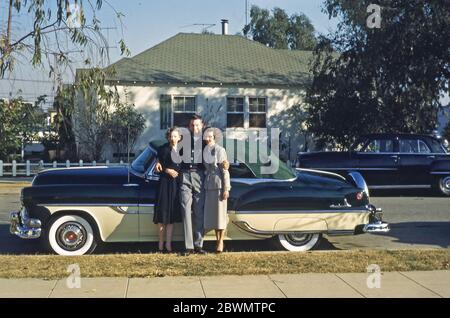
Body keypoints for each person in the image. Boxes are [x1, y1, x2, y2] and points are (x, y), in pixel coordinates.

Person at [153, 127, 182, 253]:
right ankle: (160, 244)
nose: (173, 139)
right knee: (162, 215)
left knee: (171, 216)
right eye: (171, 136)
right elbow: (158, 165)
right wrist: (166, 169)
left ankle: (168, 245)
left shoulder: (183, 151)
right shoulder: (163, 149)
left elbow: (185, 167)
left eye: (175, 136)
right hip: (164, 183)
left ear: (179, 137)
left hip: (176, 185)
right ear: (168, 137)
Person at [203, 127, 231, 253]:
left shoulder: (220, 150)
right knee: (214, 217)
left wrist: (226, 188)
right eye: (206, 136)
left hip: (219, 184)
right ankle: (217, 239)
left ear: (214, 137)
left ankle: (221, 241)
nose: (207, 138)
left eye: (210, 136)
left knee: (221, 216)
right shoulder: (205, 150)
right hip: (208, 185)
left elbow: (225, 170)